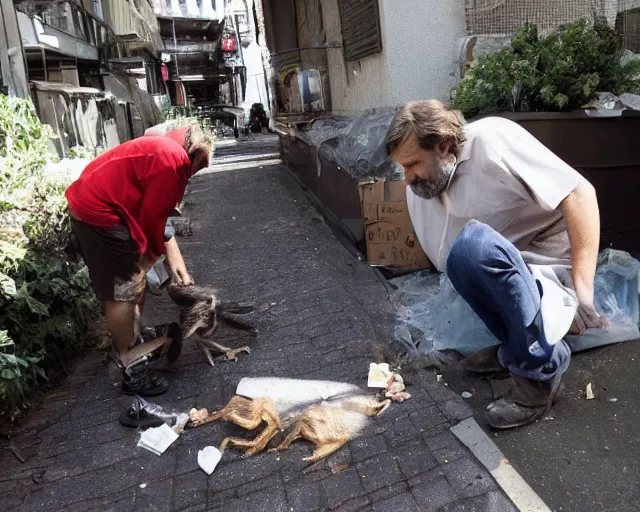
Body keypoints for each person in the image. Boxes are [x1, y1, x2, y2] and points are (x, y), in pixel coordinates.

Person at [386, 100, 607, 429]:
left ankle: (540, 374)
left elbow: (579, 194)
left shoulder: (492, 142)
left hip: (548, 252)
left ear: (446, 147)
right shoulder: (425, 186)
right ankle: (516, 348)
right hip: (508, 258)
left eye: (413, 164)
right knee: (463, 256)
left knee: (473, 245)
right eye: (402, 168)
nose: (407, 178)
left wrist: (582, 287)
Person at [65, 124, 212, 397]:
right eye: (199, 166)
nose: (194, 175)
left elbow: (158, 212)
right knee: (123, 289)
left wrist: (169, 261)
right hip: (101, 212)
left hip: (93, 203)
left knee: (133, 281)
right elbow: (153, 221)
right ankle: (131, 365)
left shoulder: (161, 147)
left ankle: (133, 338)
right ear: (193, 153)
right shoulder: (175, 160)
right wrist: (154, 261)